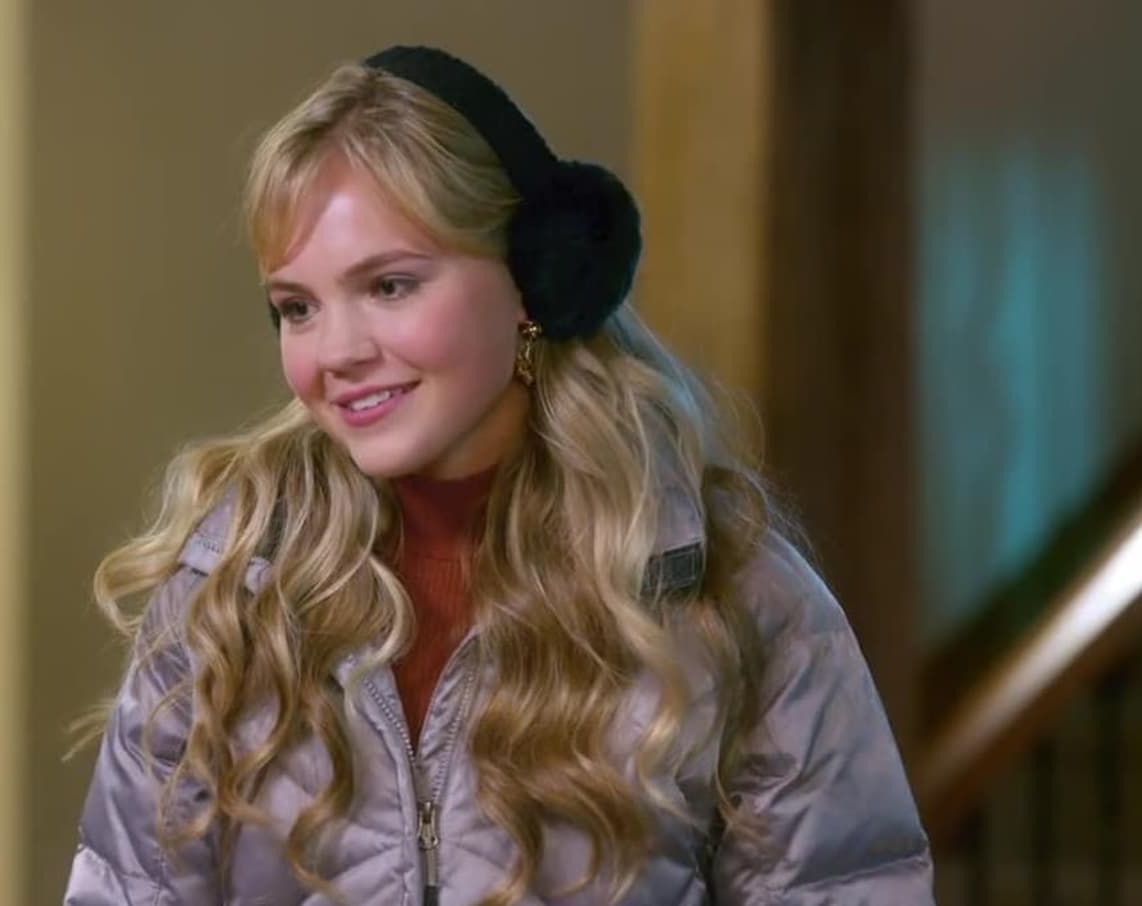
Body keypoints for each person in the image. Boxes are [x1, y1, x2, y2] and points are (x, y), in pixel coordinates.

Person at [64, 45, 933, 906]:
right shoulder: (229, 590)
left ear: (533, 279)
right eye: (298, 307)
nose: (337, 353)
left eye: (390, 286)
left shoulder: (726, 595)